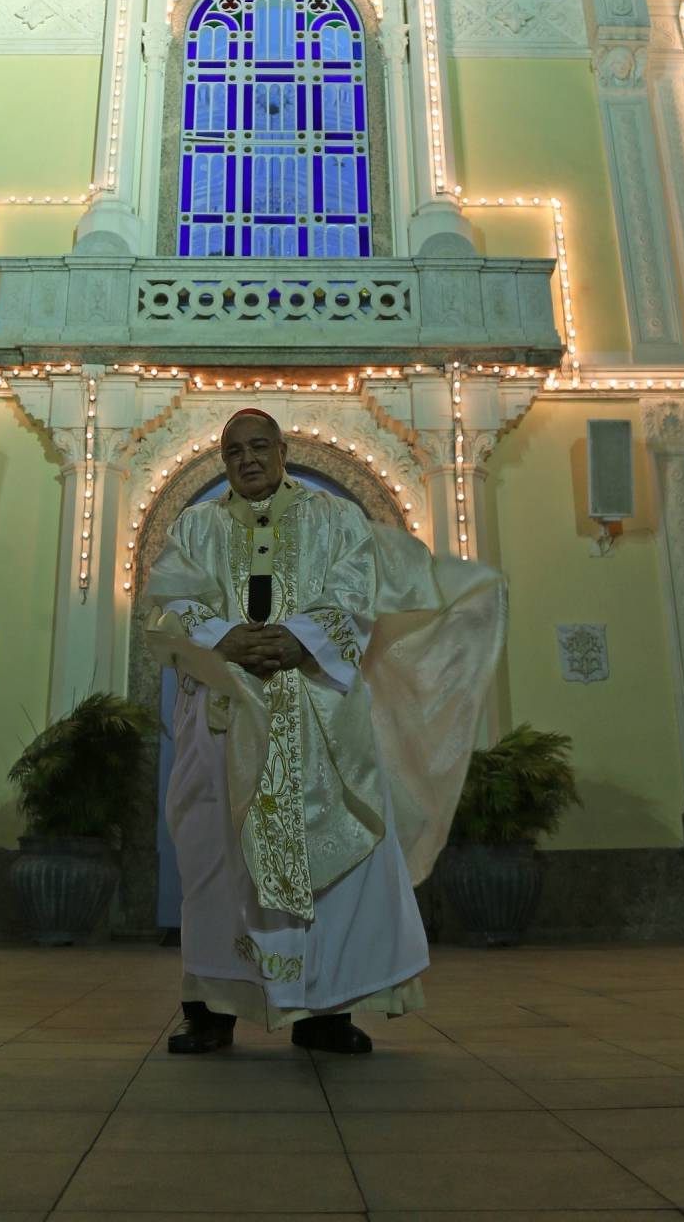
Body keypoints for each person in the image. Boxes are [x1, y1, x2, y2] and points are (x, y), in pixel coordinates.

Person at [145, 408, 505, 1056]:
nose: (248, 459)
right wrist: (225, 636)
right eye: (234, 452)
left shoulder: (335, 520)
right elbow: (169, 597)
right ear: (222, 462)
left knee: (332, 866)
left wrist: (297, 638)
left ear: (282, 450)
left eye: (259, 446)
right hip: (225, 723)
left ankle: (326, 1011)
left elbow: (354, 592)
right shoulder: (194, 528)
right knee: (213, 865)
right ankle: (211, 1008)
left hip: (315, 719)